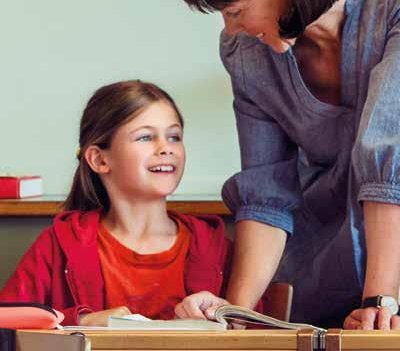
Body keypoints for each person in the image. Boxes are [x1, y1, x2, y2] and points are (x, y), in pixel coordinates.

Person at [175, 0, 400, 330]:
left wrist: (381, 301)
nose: (232, 30)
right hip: (326, 271)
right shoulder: (247, 53)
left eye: (237, 10)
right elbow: (266, 191)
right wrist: (234, 314)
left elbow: (393, 159)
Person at [0, 80, 231, 325]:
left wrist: (227, 314)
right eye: (145, 137)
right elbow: (6, 329)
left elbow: (260, 339)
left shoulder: (216, 247)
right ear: (99, 160)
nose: (166, 148)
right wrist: (81, 320)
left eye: (174, 136)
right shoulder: (55, 246)